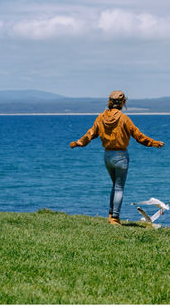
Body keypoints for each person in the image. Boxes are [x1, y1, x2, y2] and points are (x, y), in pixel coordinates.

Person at [69, 90, 164, 225]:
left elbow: (90, 134)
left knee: (115, 185)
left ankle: (110, 214)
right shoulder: (124, 118)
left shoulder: (101, 117)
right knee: (119, 187)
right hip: (120, 156)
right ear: (122, 103)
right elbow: (139, 136)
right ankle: (115, 217)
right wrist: (154, 143)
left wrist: (78, 143)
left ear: (109, 102)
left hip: (107, 156)